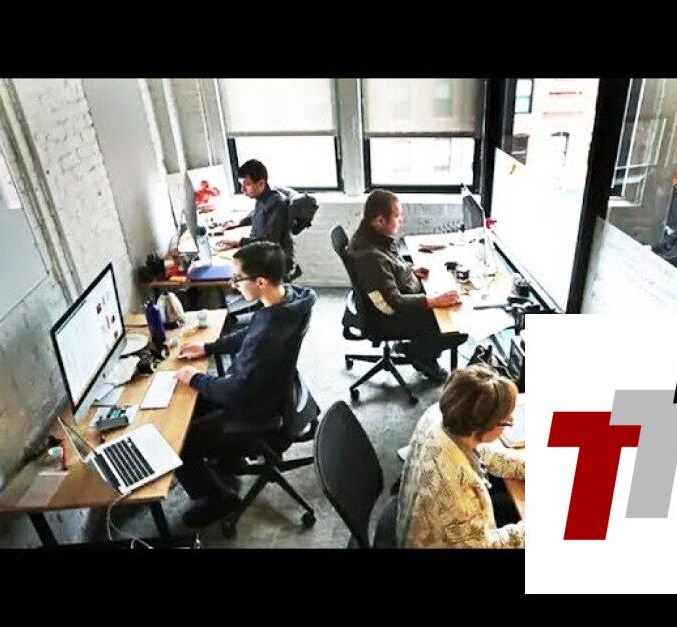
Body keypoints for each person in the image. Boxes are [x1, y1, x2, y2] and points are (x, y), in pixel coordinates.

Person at [174, 241, 316, 527]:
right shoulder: (289, 300)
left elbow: (238, 391)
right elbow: (251, 332)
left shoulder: (269, 334)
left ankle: (219, 499)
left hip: (255, 407)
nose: (233, 284)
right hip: (273, 390)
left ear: (261, 282)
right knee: (192, 405)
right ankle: (228, 459)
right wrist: (209, 347)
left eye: (238, 278)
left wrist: (196, 378)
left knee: (180, 439)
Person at [396, 364, 525, 548]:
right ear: (481, 427)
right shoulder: (455, 485)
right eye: (506, 421)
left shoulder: (442, 415)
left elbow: (480, 452)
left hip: (425, 519)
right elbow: (483, 547)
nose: (511, 420)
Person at [349, 188, 466, 383]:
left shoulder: (374, 237)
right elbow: (395, 302)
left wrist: (410, 271)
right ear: (380, 220)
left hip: (401, 295)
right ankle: (420, 354)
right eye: (397, 216)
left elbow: (391, 267)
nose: (401, 220)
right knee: (457, 327)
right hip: (389, 317)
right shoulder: (371, 256)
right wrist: (434, 301)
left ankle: (415, 348)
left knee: (448, 309)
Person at [215, 159, 296, 277]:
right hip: (263, 252)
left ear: (261, 183)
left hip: (274, 261)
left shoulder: (277, 204)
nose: (242, 189)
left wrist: (239, 242)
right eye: (241, 184)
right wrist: (239, 222)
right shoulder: (263, 197)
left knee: (233, 272)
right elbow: (257, 213)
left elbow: (269, 242)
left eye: (247, 185)